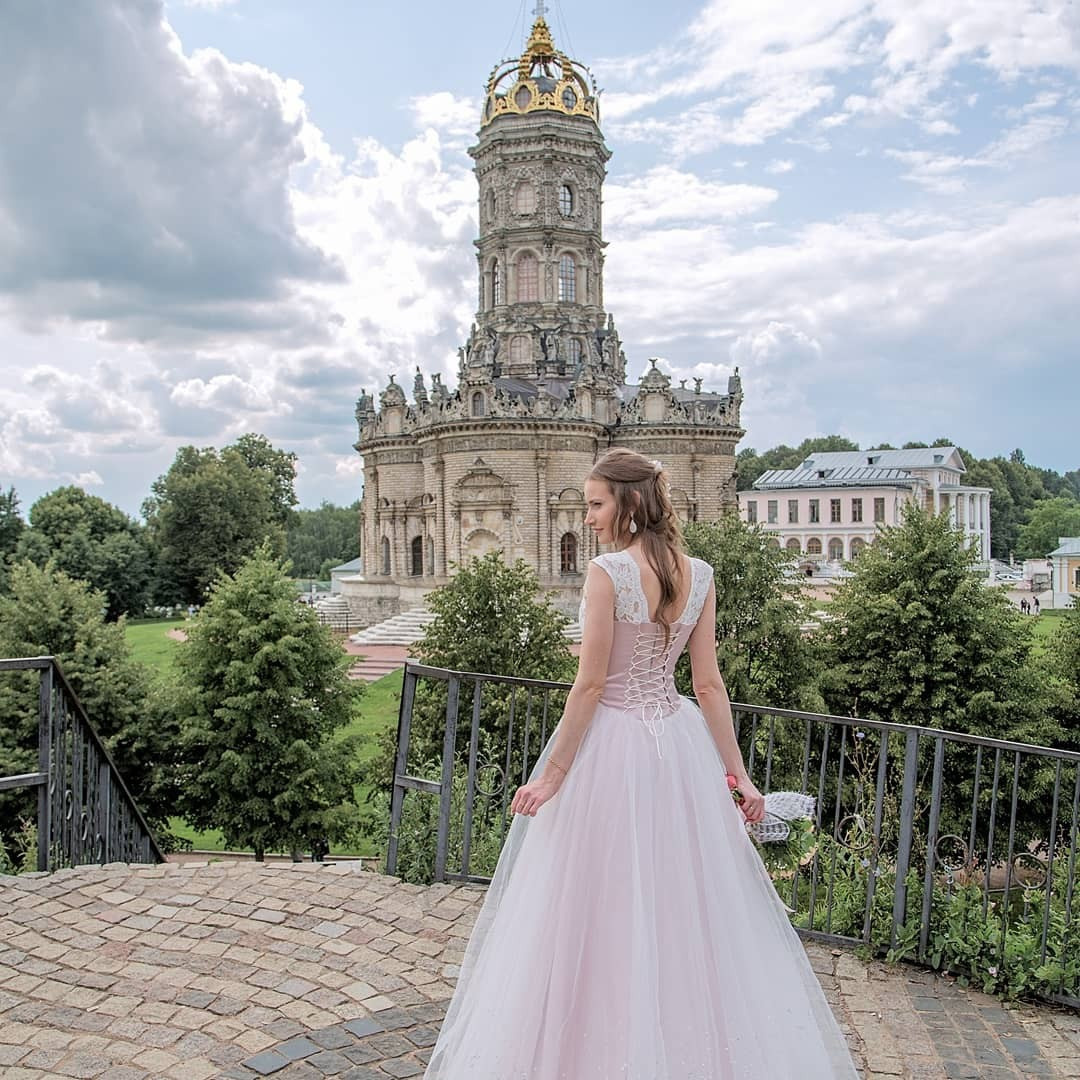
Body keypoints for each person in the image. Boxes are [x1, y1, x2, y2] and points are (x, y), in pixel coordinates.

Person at [424, 448, 859, 1078]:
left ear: (628, 503)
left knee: (590, 902)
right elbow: (708, 686)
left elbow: (590, 687)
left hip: (614, 748)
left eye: (596, 503)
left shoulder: (607, 573)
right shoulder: (700, 574)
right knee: (680, 901)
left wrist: (553, 774)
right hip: (677, 750)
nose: (589, 515)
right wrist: (738, 777)